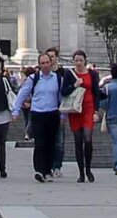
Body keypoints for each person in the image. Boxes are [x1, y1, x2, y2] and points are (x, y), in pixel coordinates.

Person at [15, 48, 74, 183]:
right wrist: (15, 110)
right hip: (37, 114)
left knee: (51, 144)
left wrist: (63, 115)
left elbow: (62, 97)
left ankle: (47, 170)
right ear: (39, 65)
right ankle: (39, 170)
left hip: (52, 114)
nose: (45, 65)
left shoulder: (58, 79)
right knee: (39, 143)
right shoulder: (33, 79)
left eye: (47, 62)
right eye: (43, 63)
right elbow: (23, 93)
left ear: (51, 63)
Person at [63, 50, 101, 183]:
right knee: (78, 141)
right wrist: (74, 85)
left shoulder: (92, 74)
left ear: (85, 61)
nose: (78, 63)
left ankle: (88, 168)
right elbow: (63, 92)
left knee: (88, 138)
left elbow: (96, 92)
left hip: (88, 108)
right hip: (75, 109)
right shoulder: (69, 74)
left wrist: (96, 111)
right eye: (76, 60)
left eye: (81, 60)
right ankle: (81, 172)